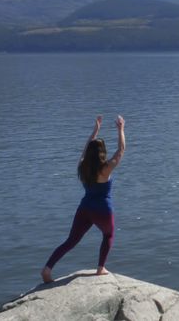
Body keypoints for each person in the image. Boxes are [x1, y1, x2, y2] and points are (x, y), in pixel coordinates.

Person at [41, 115, 126, 284]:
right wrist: (121, 129)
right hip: (102, 209)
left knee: (71, 241)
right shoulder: (105, 169)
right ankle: (101, 268)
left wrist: (95, 131)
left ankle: (47, 268)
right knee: (108, 234)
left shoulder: (82, 166)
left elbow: (86, 150)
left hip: (85, 208)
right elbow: (121, 149)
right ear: (102, 153)